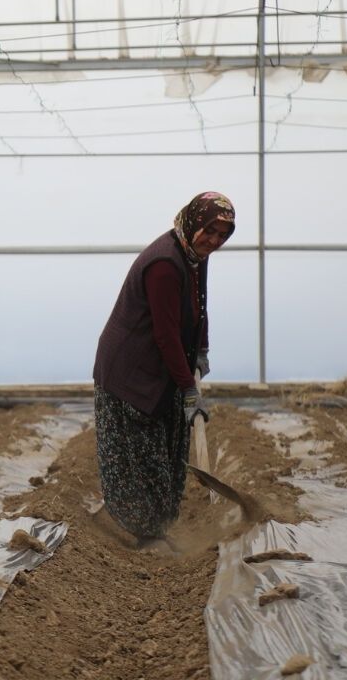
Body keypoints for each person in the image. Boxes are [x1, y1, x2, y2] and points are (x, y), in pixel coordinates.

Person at [92, 191, 236, 542]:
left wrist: (201, 349)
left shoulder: (193, 254)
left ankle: (156, 530)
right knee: (145, 461)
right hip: (131, 373)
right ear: (194, 222)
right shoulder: (165, 265)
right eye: (210, 231)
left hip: (162, 368)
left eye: (223, 234)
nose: (215, 241)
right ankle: (142, 535)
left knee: (172, 452)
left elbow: (200, 305)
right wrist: (188, 388)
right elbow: (166, 334)